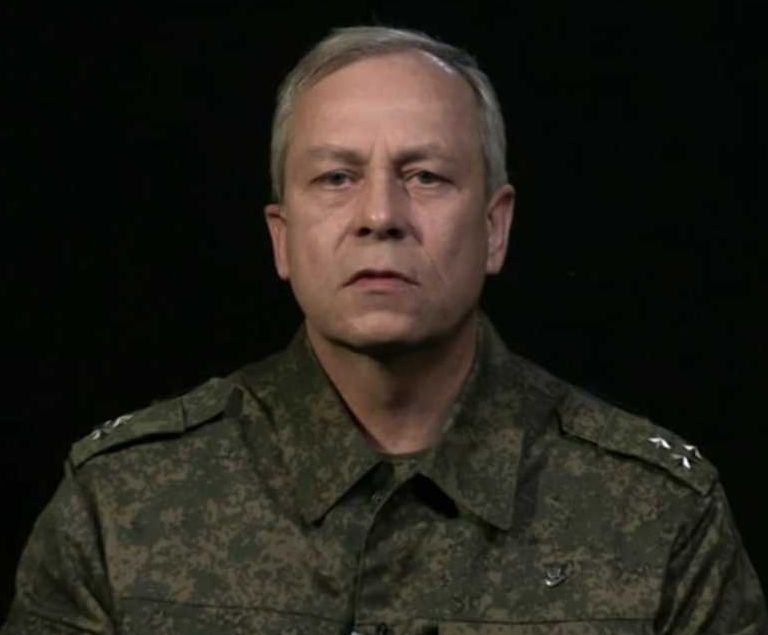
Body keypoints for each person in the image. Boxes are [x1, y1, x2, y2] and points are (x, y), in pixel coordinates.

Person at [3, 25, 766, 635]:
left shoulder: (658, 515)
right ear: (281, 237)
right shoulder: (123, 506)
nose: (379, 215)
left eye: (425, 176)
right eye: (336, 177)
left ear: (495, 227)